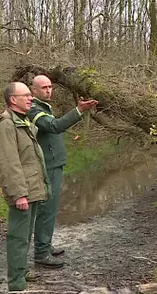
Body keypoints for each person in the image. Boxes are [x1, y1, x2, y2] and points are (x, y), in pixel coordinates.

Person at [27, 74, 98, 268]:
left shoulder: (43, 107)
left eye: (50, 87)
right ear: (33, 90)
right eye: (43, 87)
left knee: (51, 208)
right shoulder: (33, 109)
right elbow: (54, 126)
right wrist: (78, 111)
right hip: (46, 166)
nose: (48, 90)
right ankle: (41, 253)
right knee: (46, 209)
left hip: (54, 164)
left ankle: (45, 245)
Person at [0, 81, 49, 294]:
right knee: (18, 237)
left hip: (32, 187)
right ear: (12, 100)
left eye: (30, 95)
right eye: (25, 95)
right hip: (22, 191)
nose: (30, 98)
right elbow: (9, 163)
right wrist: (18, 194)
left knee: (26, 235)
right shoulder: (6, 126)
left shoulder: (22, 122)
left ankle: (21, 271)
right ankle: (16, 285)